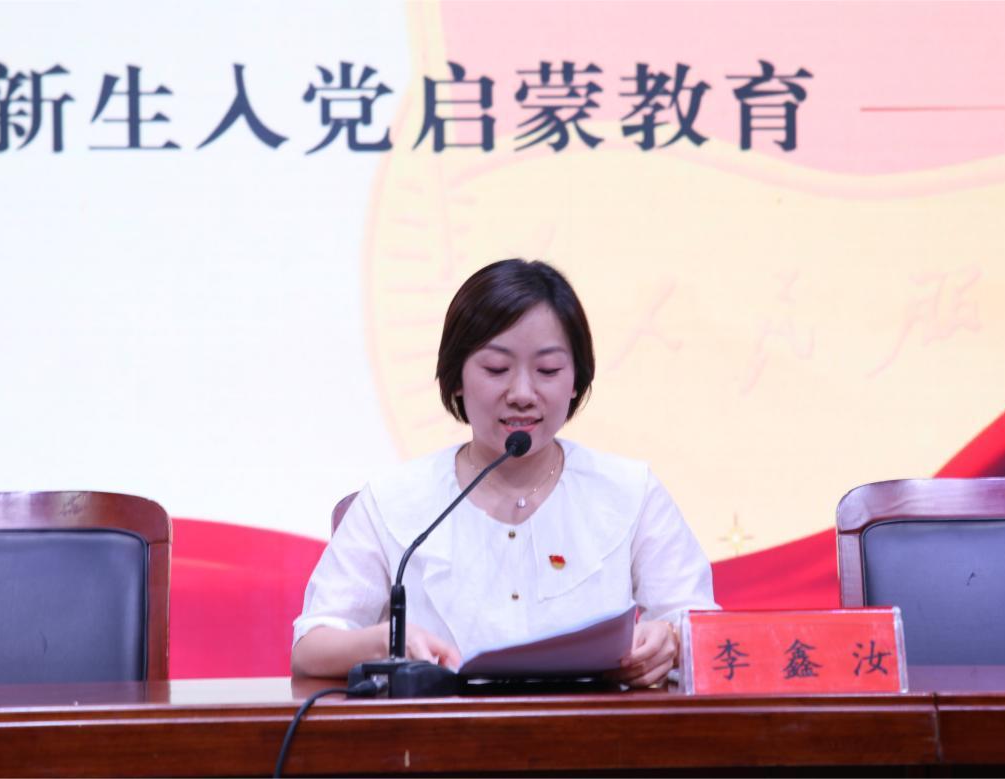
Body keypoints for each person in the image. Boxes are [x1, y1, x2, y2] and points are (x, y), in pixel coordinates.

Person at [292, 259, 716, 687]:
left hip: (592, 727)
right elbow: (311, 647)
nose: (522, 394)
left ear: (576, 380)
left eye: (548, 371)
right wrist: (387, 642)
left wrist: (669, 640)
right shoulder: (394, 499)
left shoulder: (629, 491)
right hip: (441, 727)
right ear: (457, 376)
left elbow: (702, 626)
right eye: (496, 369)